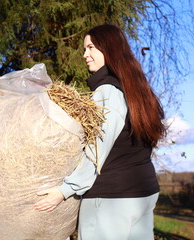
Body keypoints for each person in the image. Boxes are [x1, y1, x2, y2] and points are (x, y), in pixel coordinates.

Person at [34, 24, 165, 240]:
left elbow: (97, 148)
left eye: (91, 48)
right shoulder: (137, 92)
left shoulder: (108, 92)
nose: (85, 54)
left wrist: (63, 191)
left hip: (111, 200)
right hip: (143, 193)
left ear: (108, 49)